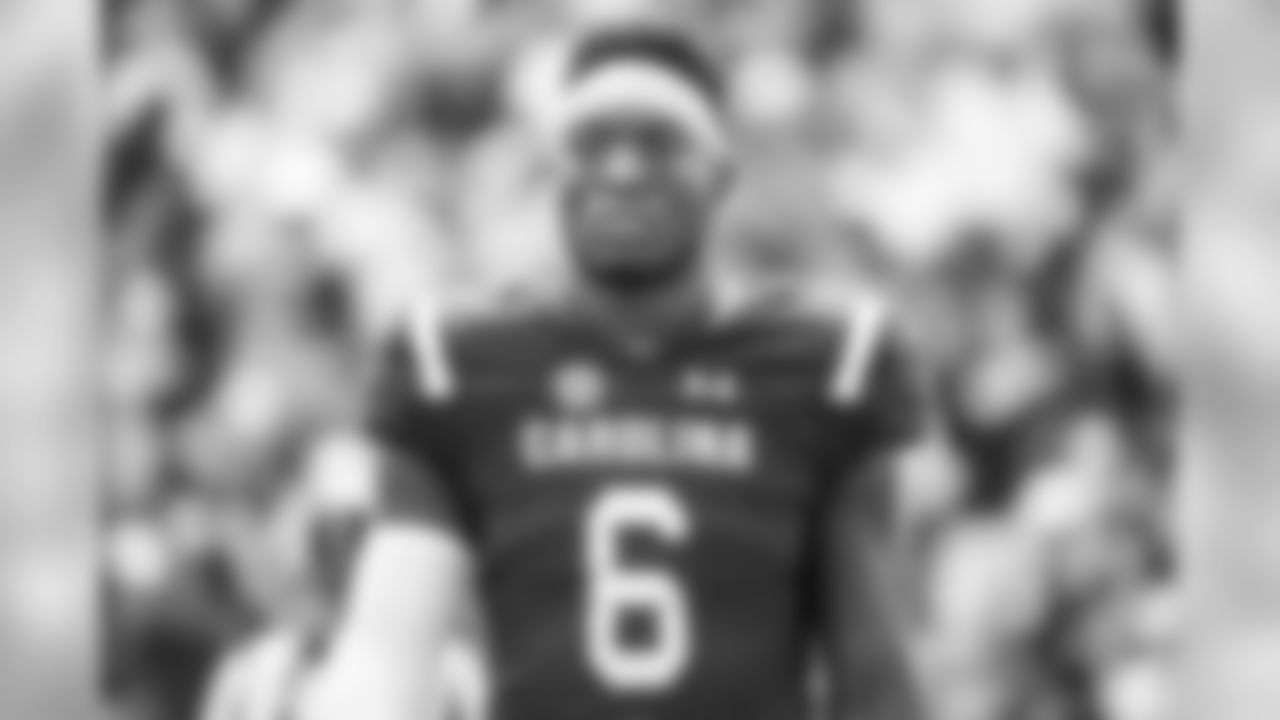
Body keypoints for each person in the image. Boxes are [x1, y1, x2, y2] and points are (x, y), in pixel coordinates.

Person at [300, 24, 927, 720]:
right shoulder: (455, 361)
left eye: (660, 142)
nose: (622, 170)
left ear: (720, 172)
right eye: (590, 143)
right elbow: (390, 648)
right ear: (551, 169)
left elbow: (873, 671)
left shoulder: (824, 363)